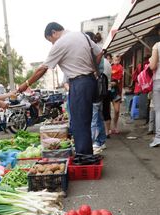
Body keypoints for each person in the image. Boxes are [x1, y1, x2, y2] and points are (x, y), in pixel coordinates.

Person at [17, 22, 102, 155]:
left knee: (79, 123)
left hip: (78, 84)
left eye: (50, 40)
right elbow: (99, 53)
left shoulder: (60, 43)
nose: (52, 44)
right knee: (85, 120)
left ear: (53, 33)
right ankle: (86, 154)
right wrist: (91, 69)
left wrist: (26, 84)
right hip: (90, 81)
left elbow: (42, 69)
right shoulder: (81, 35)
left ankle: (84, 157)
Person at [86, 31, 107, 154]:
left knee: (94, 116)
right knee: (98, 116)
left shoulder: (94, 50)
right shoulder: (97, 49)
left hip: (95, 87)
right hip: (100, 86)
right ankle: (101, 141)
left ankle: (94, 144)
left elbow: (93, 68)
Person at [149, 40, 160, 147]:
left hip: (158, 80)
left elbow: (152, 66)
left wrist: (151, 60)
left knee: (158, 110)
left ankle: (158, 138)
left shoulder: (157, 45)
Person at [110, 55, 124, 134]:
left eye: (118, 59)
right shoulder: (110, 67)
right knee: (106, 111)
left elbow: (119, 79)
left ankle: (115, 125)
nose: (117, 61)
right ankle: (109, 127)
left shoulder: (121, 68)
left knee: (117, 110)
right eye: (115, 59)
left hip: (117, 91)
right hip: (108, 91)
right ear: (113, 59)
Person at [103, 55, 112, 138]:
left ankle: (100, 132)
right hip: (108, 90)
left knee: (98, 111)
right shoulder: (107, 63)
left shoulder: (100, 62)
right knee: (106, 111)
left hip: (99, 90)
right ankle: (107, 131)